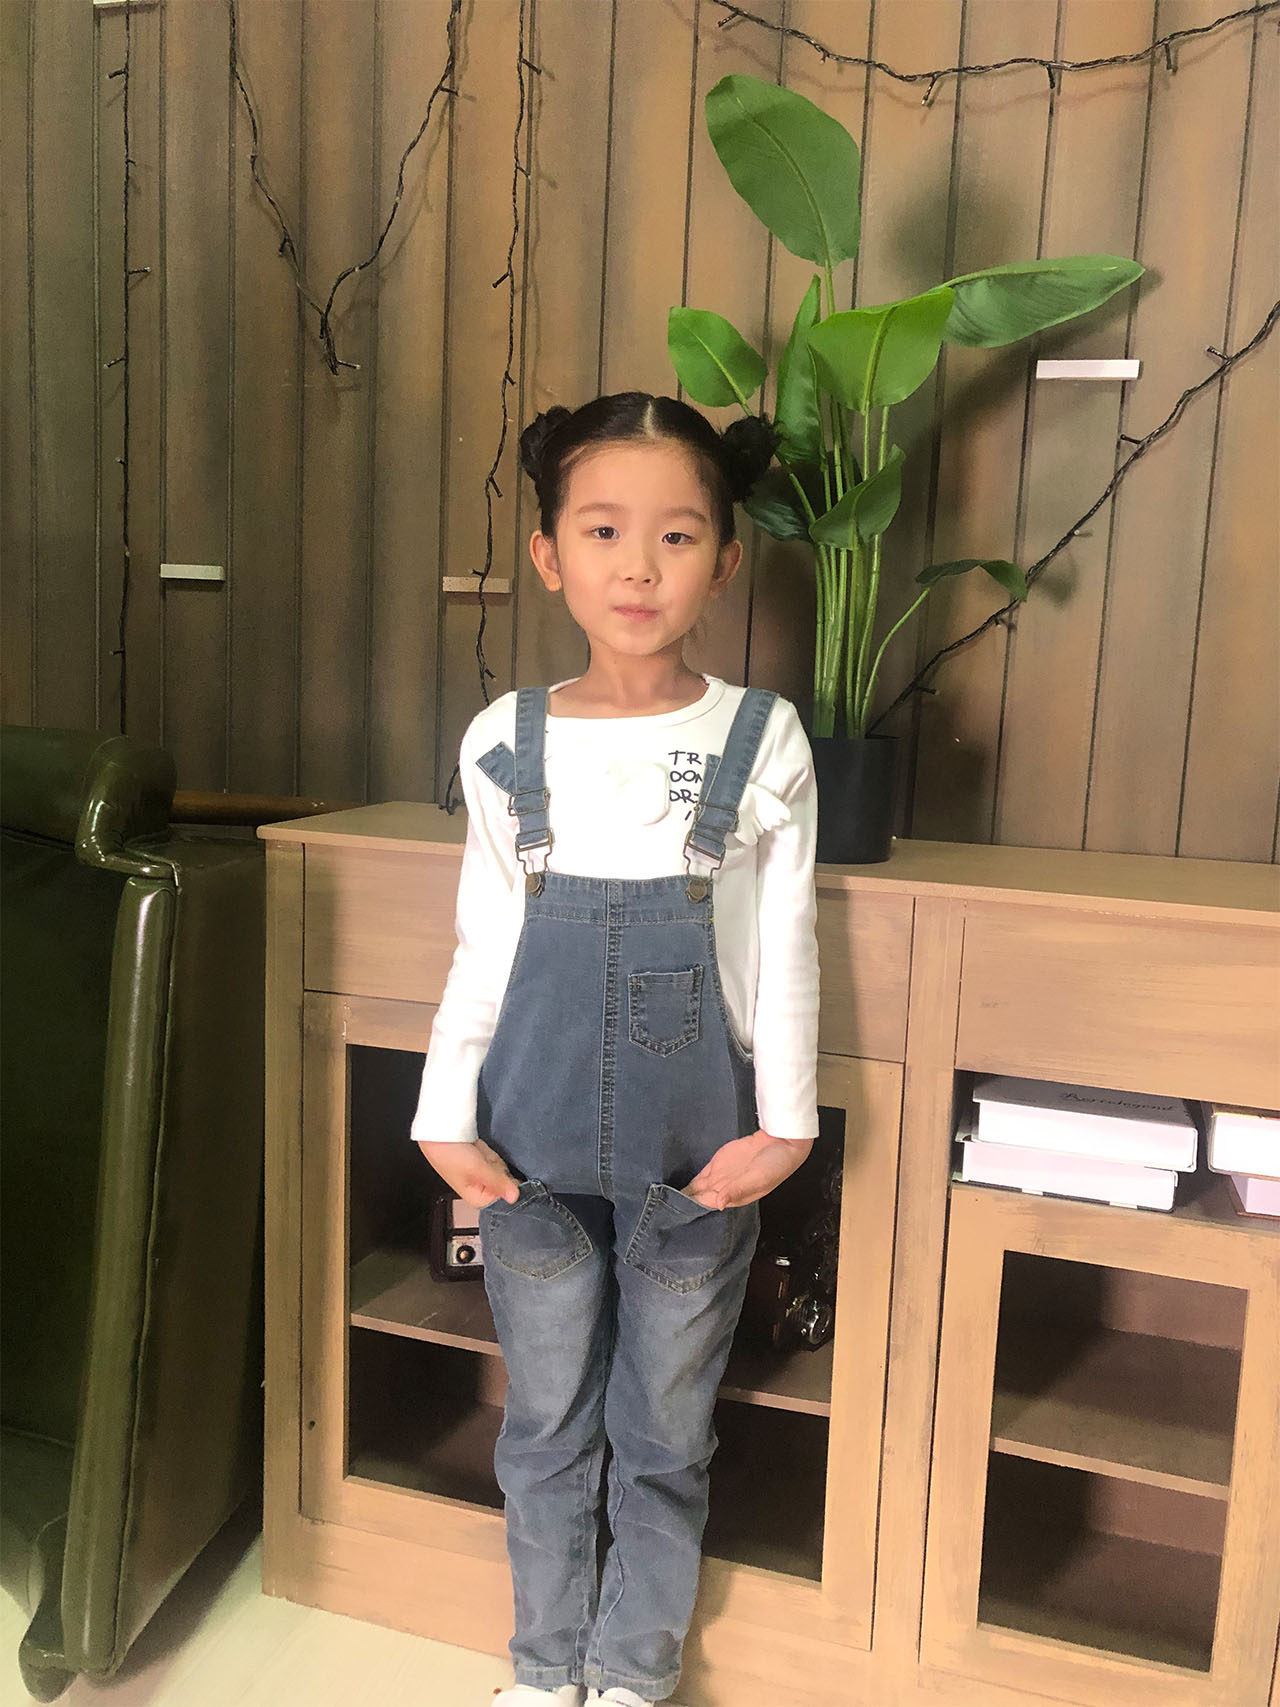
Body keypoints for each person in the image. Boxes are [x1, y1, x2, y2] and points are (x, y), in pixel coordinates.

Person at [412, 391, 821, 1707]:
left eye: (677, 536)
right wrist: (441, 1115)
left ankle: (633, 1673)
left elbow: (785, 943)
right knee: (542, 1426)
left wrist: (788, 1125)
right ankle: (544, 1672)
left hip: (699, 1158)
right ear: (550, 555)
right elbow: (483, 943)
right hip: (524, 1159)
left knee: (664, 1434)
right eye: (602, 531)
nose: (638, 567)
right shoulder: (504, 740)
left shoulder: (762, 738)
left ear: (726, 559)